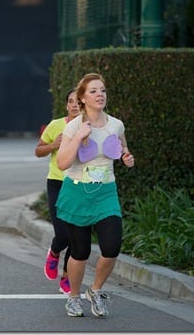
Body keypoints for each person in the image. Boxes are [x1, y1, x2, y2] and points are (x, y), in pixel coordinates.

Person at [55, 73, 135, 318]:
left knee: (111, 247)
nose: (100, 94)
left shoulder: (116, 124)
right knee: (80, 252)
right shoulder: (74, 126)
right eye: (93, 91)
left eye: (102, 90)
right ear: (82, 98)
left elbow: (123, 147)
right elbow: (61, 163)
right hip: (77, 193)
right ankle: (73, 297)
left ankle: (96, 290)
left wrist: (127, 158)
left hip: (106, 193)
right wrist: (79, 137)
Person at [34, 89, 80, 294]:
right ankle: (54, 251)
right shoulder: (55, 125)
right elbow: (38, 151)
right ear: (66, 105)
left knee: (78, 235)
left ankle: (67, 276)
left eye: (78, 102)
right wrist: (54, 144)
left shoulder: (89, 128)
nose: (74, 105)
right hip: (57, 182)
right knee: (63, 233)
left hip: (81, 184)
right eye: (70, 102)